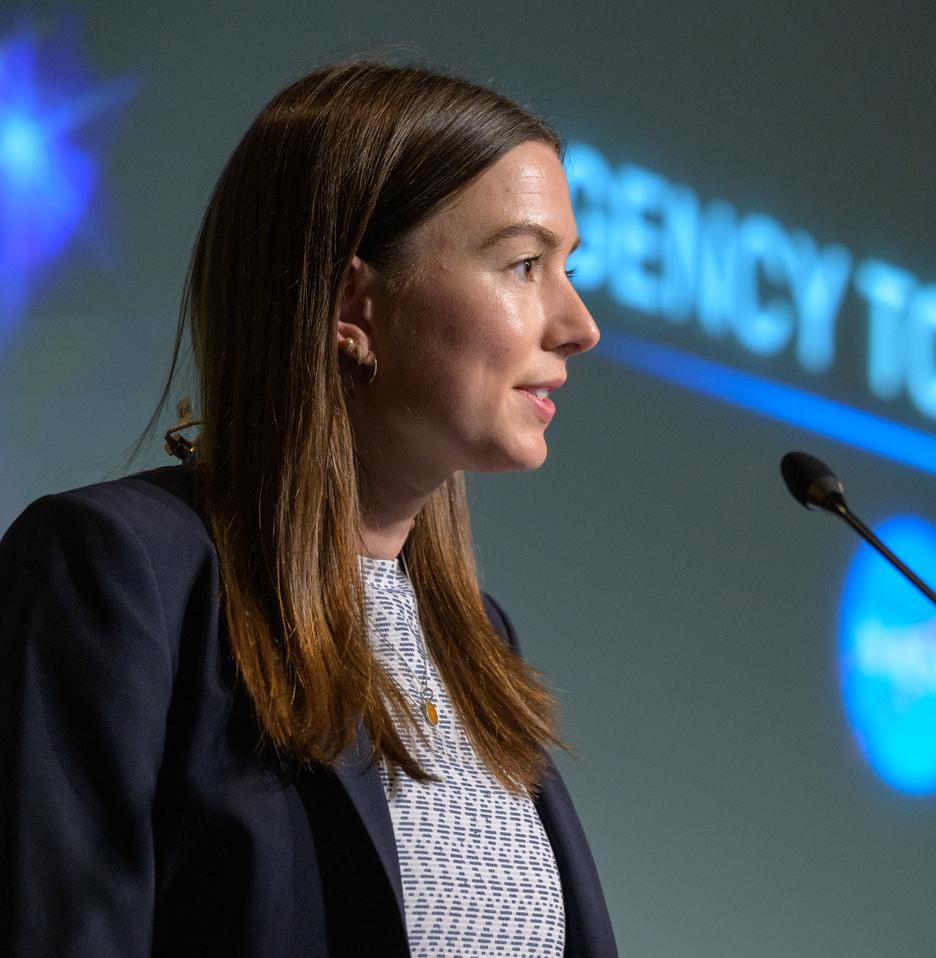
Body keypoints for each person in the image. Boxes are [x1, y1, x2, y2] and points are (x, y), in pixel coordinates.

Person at [0, 60, 616, 957]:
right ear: (351, 301)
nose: (578, 323)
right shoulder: (116, 573)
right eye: (524, 264)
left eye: (567, 267)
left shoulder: (477, 638)